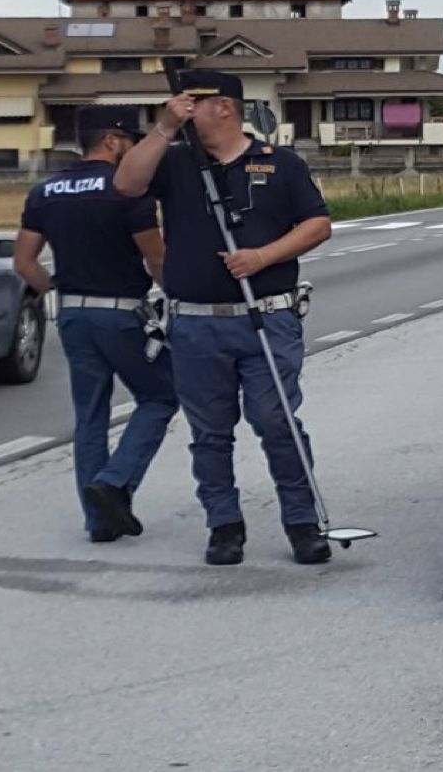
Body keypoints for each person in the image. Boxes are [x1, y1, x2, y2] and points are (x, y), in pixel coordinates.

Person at [114, 69, 333, 566]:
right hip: (194, 322)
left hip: (267, 316)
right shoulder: (174, 162)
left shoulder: (280, 164)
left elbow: (318, 225)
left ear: (224, 107)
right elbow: (126, 184)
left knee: (275, 420)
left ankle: (302, 522)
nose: (181, 107)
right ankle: (224, 525)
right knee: (210, 432)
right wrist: (165, 128)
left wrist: (264, 257)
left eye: (191, 102)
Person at [14, 106, 179, 543]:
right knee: (160, 395)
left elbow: (24, 262)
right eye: (129, 140)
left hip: (71, 313)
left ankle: (99, 520)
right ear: (110, 141)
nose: (134, 149)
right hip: (121, 312)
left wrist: (56, 287)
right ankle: (115, 484)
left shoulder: (45, 192)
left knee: (90, 414)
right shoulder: (127, 190)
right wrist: (177, 295)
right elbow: (155, 256)